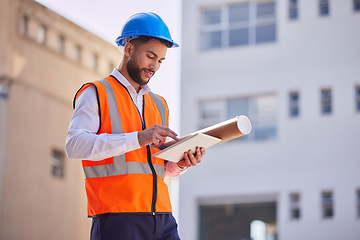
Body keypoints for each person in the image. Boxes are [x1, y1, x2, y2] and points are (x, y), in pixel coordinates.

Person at [65, 12, 205, 240]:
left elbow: (154, 168)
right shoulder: (96, 93)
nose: (155, 66)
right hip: (117, 220)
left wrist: (179, 164)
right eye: (150, 56)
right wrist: (138, 138)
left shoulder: (159, 104)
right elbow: (74, 146)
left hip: (163, 217)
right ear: (128, 49)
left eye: (160, 60)